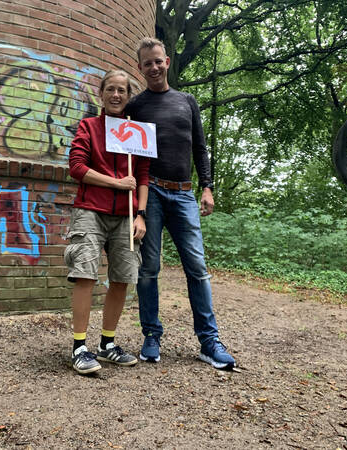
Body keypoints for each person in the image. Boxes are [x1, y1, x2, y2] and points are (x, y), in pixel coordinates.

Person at [125, 37, 236, 370]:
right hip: (152, 193)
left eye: (158, 61)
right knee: (149, 268)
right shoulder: (135, 106)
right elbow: (125, 153)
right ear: (141, 68)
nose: (154, 67)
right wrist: (135, 204)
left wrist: (208, 187)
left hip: (185, 192)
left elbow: (200, 148)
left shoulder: (187, 101)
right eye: (147, 63)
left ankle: (209, 342)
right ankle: (151, 336)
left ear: (167, 61)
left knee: (197, 268)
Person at [65, 69, 150, 375]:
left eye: (122, 91)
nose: (116, 95)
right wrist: (115, 183)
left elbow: (142, 176)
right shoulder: (89, 127)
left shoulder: (136, 133)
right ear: (101, 94)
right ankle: (79, 347)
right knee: (85, 273)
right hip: (91, 210)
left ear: (128, 97)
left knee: (122, 277)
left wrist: (141, 214)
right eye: (111, 89)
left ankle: (107, 344)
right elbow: (76, 167)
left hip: (126, 216)